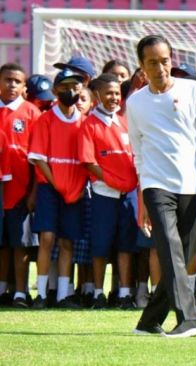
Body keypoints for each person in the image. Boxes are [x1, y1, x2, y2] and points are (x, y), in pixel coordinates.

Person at [127, 35, 196, 338]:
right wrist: (144, 199)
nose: (160, 67)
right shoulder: (134, 103)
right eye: (152, 62)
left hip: (195, 184)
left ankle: (149, 322)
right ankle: (191, 318)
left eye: (164, 60)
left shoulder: (193, 90)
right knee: (170, 248)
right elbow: (139, 153)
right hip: (157, 185)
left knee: (182, 256)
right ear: (141, 66)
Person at [78, 73, 139, 309]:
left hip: (128, 193)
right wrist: (112, 180)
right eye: (108, 93)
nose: (113, 97)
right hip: (104, 193)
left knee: (126, 245)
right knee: (100, 246)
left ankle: (124, 293)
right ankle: (98, 293)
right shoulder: (89, 124)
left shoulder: (125, 121)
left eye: (116, 93)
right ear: (97, 95)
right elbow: (89, 162)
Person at [29, 69, 88, 309]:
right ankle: (41, 294)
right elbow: (39, 158)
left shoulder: (84, 120)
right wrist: (58, 185)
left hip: (75, 191)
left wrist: (78, 188)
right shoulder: (45, 119)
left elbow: (88, 159)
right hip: (50, 189)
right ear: (55, 91)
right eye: (64, 87)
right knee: (47, 239)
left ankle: (63, 295)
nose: (70, 91)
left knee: (67, 242)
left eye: (74, 87)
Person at [0, 63, 40, 307]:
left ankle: (21, 293)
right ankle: (3, 289)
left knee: (20, 244)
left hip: (21, 190)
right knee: (1, 244)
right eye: (7, 79)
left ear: (25, 86)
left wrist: (34, 191)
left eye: (17, 81)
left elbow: (36, 157)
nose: (11, 85)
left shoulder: (32, 113)